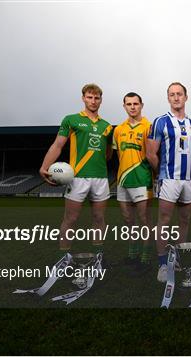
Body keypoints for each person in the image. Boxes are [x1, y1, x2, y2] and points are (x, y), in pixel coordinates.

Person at [39, 83, 113, 261]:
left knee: (98, 218)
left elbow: (108, 153)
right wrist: (44, 166)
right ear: (83, 98)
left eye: (96, 98)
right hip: (77, 177)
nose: (93, 101)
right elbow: (58, 145)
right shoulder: (71, 120)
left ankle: (98, 257)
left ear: (101, 100)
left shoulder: (107, 126)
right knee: (70, 219)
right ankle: (63, 258)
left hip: (101, 178)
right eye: (89, 97)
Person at [146, 82, 191, 283]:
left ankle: (180, 260)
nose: (176, 97)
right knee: (164, 222)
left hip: (189, 180)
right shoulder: (160, 122)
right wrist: (163, 172)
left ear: (186, 97)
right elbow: (151, 153)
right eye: (172, 94)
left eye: (179, 94)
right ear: (168, 98)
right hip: (168, 179)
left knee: (185, 221)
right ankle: (162, 263)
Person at [112, 92, 153, 274]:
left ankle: (145, 257)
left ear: (141, 105)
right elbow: (118, 154)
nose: (133, 107)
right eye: (129, 104)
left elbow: (153, 155)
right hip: (122, 179)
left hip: (142, 178)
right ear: (124, 106)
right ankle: (132, 254)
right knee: (128, 220)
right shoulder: (118, 129)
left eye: (136, 103)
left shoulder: (149, 126)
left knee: (144, 220)